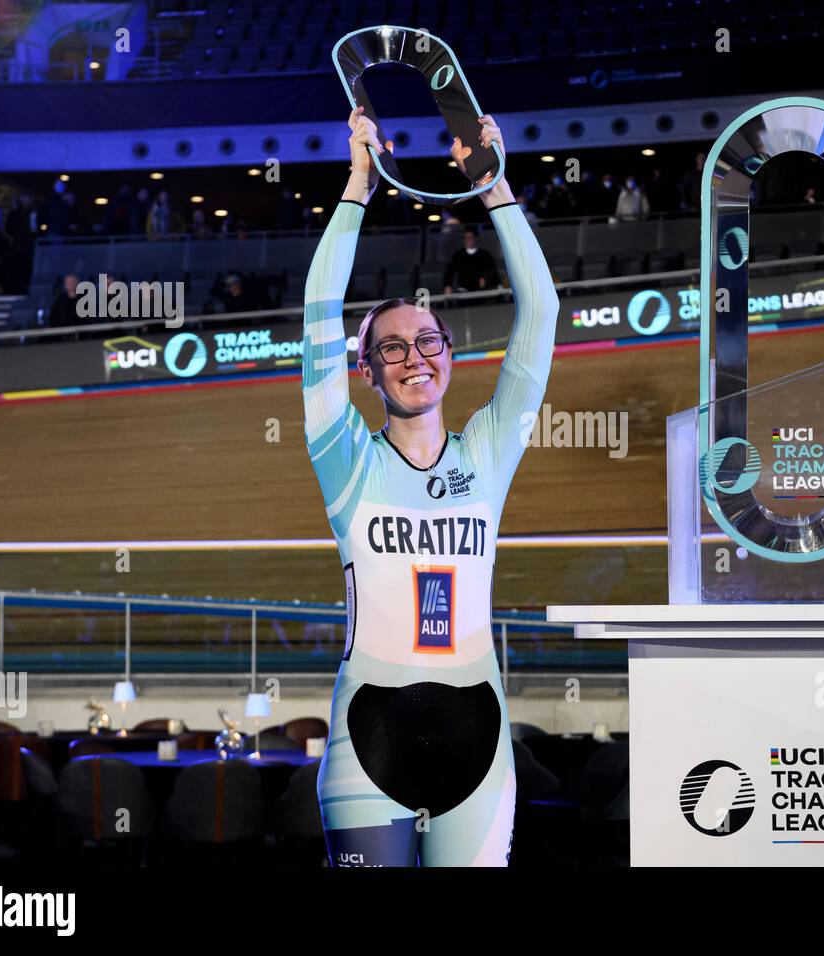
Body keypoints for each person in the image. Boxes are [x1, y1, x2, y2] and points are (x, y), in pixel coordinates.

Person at [305, 106, 557, 867]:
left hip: (479, 755)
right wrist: (356, 184)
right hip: (364, 750)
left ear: (450, 355)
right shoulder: (345, 458)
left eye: (427, 341)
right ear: (367, 370)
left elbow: (540, 314)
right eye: (389, 347)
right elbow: (319, 313)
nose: (412, 356)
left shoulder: (487, 453)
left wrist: (496, 188)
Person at [442, 227, 498, 293]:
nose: (467, 240)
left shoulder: (485, 255)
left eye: (470, 237)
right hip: (463, 291)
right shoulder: (458, 255)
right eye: (465, 238)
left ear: (476, 238)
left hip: (481, 291)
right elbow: (450, 272)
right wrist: (448, 285)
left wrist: (485, 278)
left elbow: (492, 271)